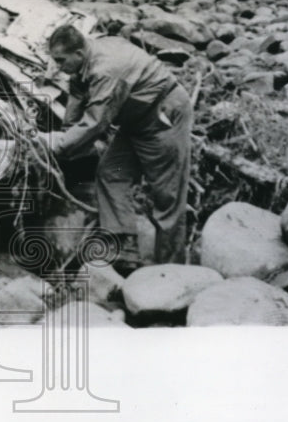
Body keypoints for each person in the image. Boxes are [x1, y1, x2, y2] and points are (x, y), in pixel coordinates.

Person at [43, 24, 193, 273]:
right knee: (112, 173)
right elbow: (78, 97)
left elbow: (95, 122)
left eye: (61, 60)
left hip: (162, 119)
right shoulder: (87, 56)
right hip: (135, 123)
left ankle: (172, 271)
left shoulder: (106, 69)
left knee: (167, 195)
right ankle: (126, 246)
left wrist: (57, 146)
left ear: (79, 53)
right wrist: (67, 133)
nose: (58, 66)